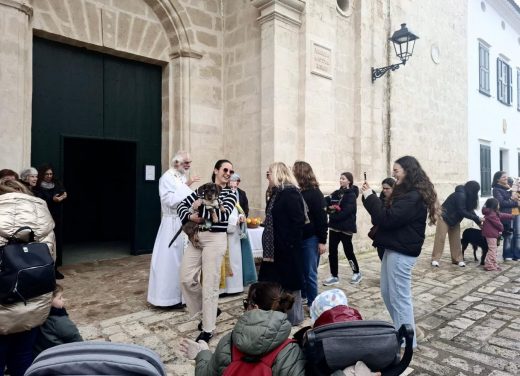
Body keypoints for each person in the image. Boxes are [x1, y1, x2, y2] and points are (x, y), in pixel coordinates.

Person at [361, 156, 440, 348]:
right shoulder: (405, 192)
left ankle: (407, 341)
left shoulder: (413, 197)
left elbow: (387, 219)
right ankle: (401, 330)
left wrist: (371, 196)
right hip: (393, 246)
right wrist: (368, 197)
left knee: (399, 296)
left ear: (408, 171)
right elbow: (381, 214)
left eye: (396, 170)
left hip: (402, 251)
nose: (393, 173)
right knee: (388, 293)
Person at [179, 281, 306, 375]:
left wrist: (202, 354)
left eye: (246, 303)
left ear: (254, 308)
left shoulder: (228, 342)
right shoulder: (290, 351)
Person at [178, 160, 237, 343]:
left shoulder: (230, 193)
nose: (228, 173)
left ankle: (208, 328)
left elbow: (222, 215)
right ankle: (209, 310)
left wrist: (197, 206)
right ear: (216, 170)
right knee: (186, 279)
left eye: (231, 171)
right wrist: (190, 215)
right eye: (225, 169)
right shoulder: (201, 189)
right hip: (196, 238)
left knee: (210, 284)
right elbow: (181, 207)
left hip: (215, 240)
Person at [0, 180, 55, 376]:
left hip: (3, 306)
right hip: (33, 303)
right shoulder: (42, 216)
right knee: (23, 357)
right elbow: (50, 259)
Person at [147, 151, 199, 309]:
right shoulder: (166, 178)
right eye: (186, 163)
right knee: (169, 261)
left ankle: (182, 297)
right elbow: (168, 200)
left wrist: (187, 189)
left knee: (183, 261)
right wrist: (190, 195)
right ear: (176, 163)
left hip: (184, 221)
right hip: (171, 224)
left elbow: (181, 192)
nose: (189, 165)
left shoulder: (181, 176)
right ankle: (167, 299)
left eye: (190, 162)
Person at [258, 162, 306, 326]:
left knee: (290, 286)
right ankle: (278, 316)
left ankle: (293, 319)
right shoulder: (277, 193)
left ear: (277, 174)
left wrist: (289, 244)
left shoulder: (290, 193)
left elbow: (298, 222)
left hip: (287, 250)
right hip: (275, 250)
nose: (267, 177)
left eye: (268, 173)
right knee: (275, 284)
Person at [292, 161, 327, 307]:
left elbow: (322, 218)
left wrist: (322, 241)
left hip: (311, 239)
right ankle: (305, 296)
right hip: (301, 238)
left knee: (310, 273)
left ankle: (314, 304)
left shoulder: (314, 193)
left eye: (294, 171)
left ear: (300, 173)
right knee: (302, 271)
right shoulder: (299, 192)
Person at [323, 172, 362, 286]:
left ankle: (356, 273)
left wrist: (331, 215)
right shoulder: (336, 193)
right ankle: (334, 276)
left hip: (345, 228)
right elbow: (326, 201)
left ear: (349, 181)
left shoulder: (351, 195)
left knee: (348, 251)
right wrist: (328, 208)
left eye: (343, 179)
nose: (341, 180)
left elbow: (345, 213)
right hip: (335, 228)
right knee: (332, 252)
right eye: (340, 178)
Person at [431, 181, 482, 267]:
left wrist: (479, 222)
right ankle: (435, 259)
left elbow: (470, 211)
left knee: (456, 240)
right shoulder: (460, 195)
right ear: (472, 190)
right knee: (440, 238)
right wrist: (477, 218)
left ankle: (457, 259)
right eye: (476, 190)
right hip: (444, 217)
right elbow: (462, 211)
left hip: (455, 220)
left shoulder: (468, 197)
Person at [33, 164, 67, 279]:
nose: (49, 176)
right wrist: (52, 200)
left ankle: (54, 268)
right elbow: (39, 200)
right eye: (46, 174)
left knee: (55, 243)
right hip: (43, 218)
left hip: (56, 217)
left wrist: (63, 197)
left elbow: (62, 193)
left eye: (51, 174)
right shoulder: (37, 186)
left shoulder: (56, 183)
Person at [34, 284, 83, 355]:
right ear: (48, 302)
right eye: (60, 298)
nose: (63, 299)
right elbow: (75, 339)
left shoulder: (34, 317)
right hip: (62, 356)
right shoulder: (58, 319)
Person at [221, 173, 246, 295]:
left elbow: (240, 210)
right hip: (226, 231)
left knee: (235, 260)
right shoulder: (223, 192)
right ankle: (224, 288)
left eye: (235, 181)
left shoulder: (240, 193)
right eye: (231, 180)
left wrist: (241, 216)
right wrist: (233, 220)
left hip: (235, 232)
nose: (233, 183)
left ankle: (235, 287)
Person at [492, 171, 520, 261]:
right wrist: (514, 201)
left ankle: (517, 255)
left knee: (518, 235)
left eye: (507, 177)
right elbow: (501, 203)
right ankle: (508, 254)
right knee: (509, 234)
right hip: (507, 214)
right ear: (498, 179)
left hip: (517, 213)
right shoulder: (496, 189)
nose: (506, 178)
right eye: (504, 177)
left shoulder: (510, 187)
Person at [481, 198, 513, 271]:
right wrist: (502, 229)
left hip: (491, 234)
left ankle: (493, 264)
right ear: (494, 206)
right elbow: (498, 224)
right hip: (491, 234)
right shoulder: (492, 214)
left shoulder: (492, 213)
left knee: (494, 250)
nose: (499, 205)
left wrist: (511, 216)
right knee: (492, 250)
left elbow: (502, 215)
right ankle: (489, 265)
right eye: (498, 204)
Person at [376, 178, 395, 261]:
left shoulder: (398, 201)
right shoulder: (380, 200)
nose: (384, 190)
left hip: (392, 239)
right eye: (383, 188)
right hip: (381, 237)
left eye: (387, 188)